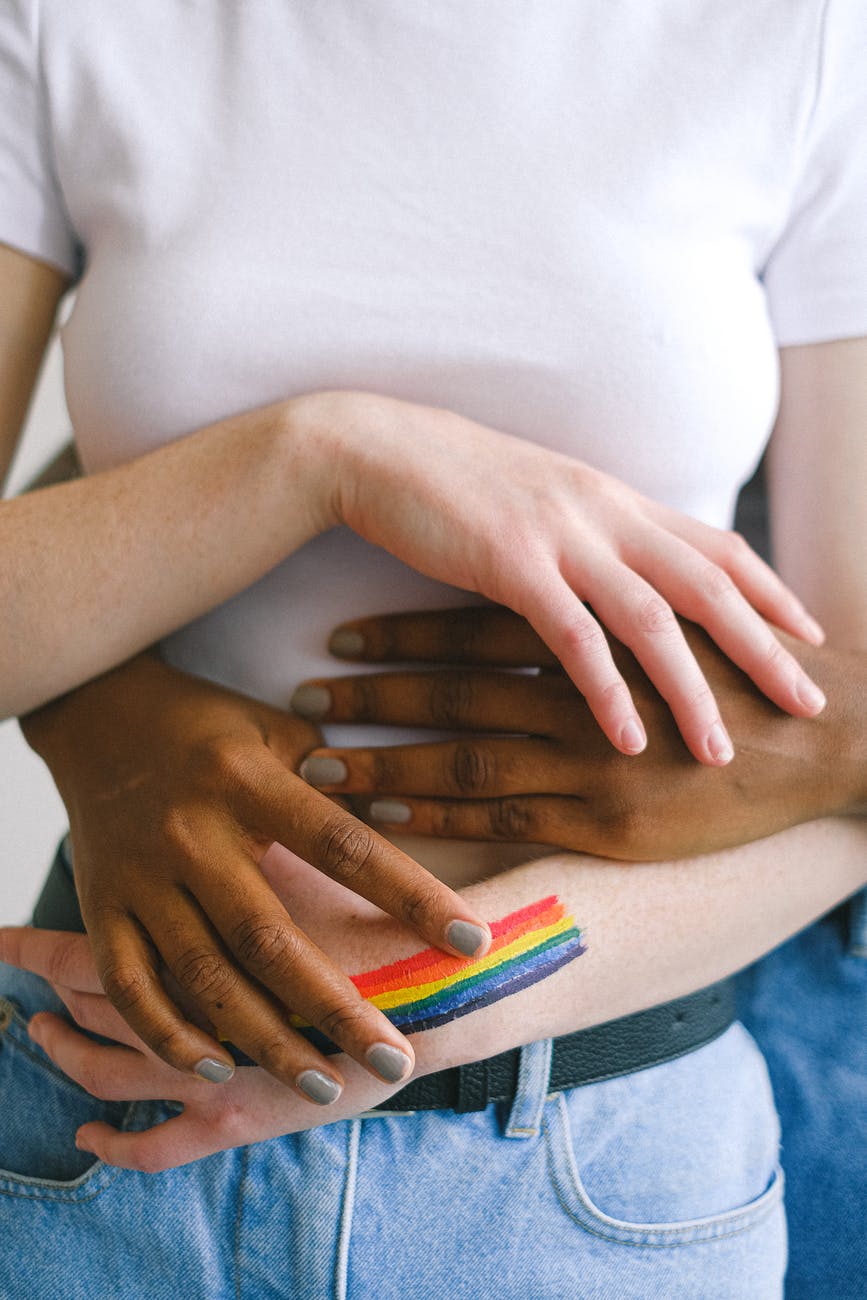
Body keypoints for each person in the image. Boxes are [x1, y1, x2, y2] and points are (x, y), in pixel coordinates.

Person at [0, 3, 865, 1296]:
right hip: (110, 1132)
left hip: (600, 1179)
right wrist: (318, 459)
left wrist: (438, 994)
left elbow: (849, 759)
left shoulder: (800, 41)